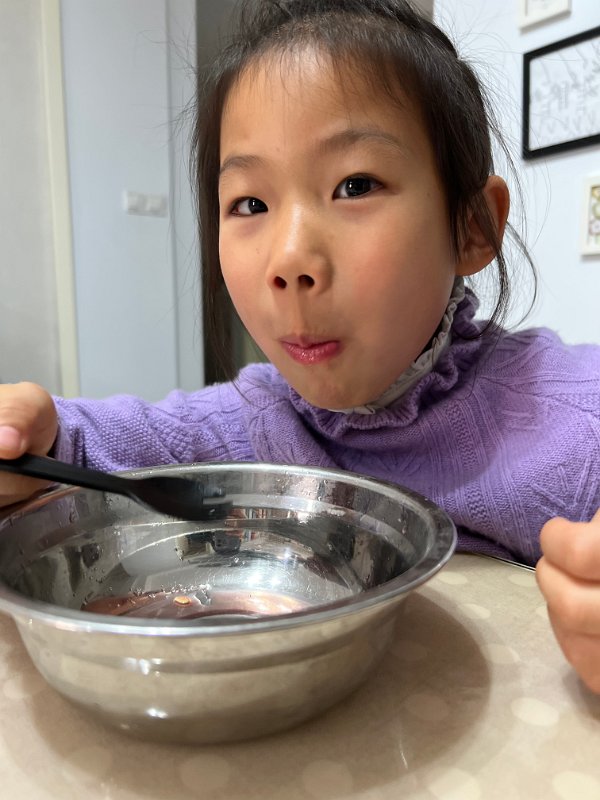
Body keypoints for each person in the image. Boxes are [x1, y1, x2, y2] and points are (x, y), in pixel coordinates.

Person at [0, 0, 599, 690]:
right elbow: (104, 443)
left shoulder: (572, 420)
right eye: (250, 204)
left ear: (471, 227)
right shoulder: (258, 417)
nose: (288, 259)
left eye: (355, 185)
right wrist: (38, 436)